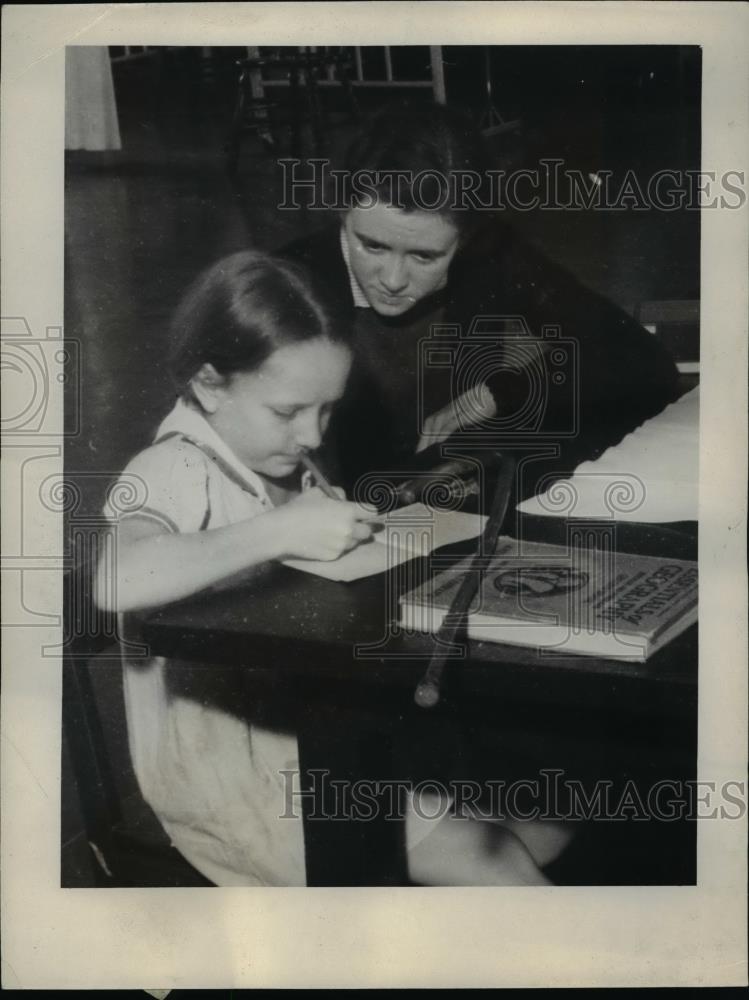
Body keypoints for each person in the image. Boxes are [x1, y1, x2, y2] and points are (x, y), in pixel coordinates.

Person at [97, 250, 559, 886]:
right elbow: (115, 577)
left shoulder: (278, 453)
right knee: (501, 862)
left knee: (544, 826)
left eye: (327, 409)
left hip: (319, 734)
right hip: (239, 783)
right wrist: (280, 529)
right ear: (209, 385)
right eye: (288, 412)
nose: (313, 436)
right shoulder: (175, 466)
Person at [281, 100, 681, 498]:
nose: (393, 279)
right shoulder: (287, 279)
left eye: (425, 256)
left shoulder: (490, 254)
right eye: (372, 246)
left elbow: (640, 358)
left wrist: (497, 393)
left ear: (468, 236)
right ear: (342, 213)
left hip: (454, 510)